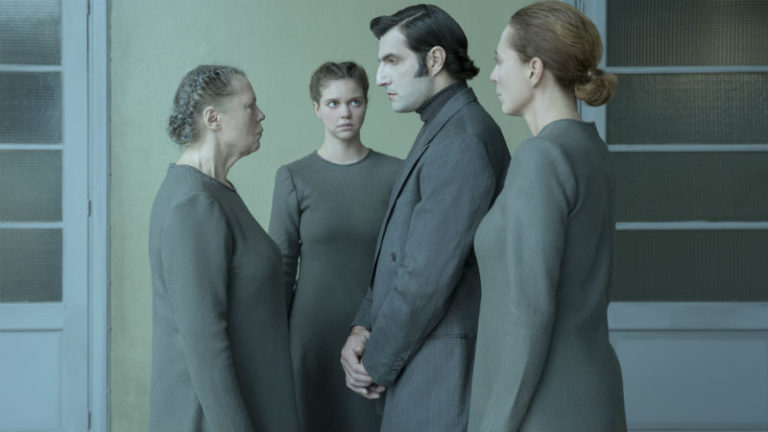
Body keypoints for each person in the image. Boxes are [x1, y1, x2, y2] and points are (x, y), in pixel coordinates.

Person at [339, 5, 510, 431]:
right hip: (423, 361)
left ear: (434, 60)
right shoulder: (444, 126)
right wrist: (364, 325)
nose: (380, 78)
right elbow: (399, 252)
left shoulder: (462, 138)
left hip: (440, 374)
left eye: (392, 60)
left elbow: (425, 277)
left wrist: (376, 361)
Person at [468, 2, 627, 431]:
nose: (493, 75)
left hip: (543, 406)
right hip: (587, 395)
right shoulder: (591, 149)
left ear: (534, 69)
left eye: (501, 60)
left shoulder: (541, 156)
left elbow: (529, 312)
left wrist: (496, 424)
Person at [148, 65, 300, 432]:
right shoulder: (194, 203)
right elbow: (205, 345)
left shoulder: (215, 191)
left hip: (257, 403)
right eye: (250, 106)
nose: (261, 115)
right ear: (213, 119)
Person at [268, 61, 401, 432]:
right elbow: (281, 269)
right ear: (316, 108)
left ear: (367, 104)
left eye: (354, 102)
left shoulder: (397, 174)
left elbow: (405, 261)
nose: (345, 113)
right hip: (310, 336)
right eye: (333, 103)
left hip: (376, 333)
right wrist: (274, 344)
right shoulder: (293, 177)